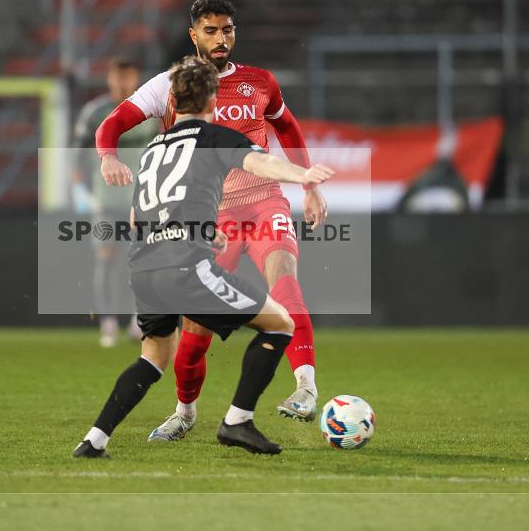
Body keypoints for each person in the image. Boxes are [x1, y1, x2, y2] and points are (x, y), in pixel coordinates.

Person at [74, 57, 335, 458]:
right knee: (279, 323)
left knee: (155, 358)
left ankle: (93, 441)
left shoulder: (153, 149)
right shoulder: (214, 137)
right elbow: (258, 161)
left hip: (143, 269)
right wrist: (303, 177)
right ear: (213, 99)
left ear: (172, 105)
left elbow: (136, 215)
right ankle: (237, 421)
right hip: (185, 267)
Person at [72, 56, 159, 347]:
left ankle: (138, 321)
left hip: (142, 202)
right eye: (118, 77)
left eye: (128, 77)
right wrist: (87, 192)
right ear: (110, 79)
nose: (123, 83)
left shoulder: (152, 112)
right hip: (106, 202)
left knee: (142, 260)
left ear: (136, 79)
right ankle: (108, 324)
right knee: (107, 260)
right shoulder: (96, 112)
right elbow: (78, 158)